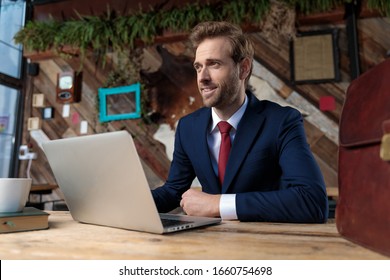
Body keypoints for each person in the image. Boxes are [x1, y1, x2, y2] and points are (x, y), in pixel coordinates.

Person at [152, 21, 328, 223]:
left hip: (266, 244)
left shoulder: (282, 121)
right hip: (210, 245)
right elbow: (173, 191)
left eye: (214, 64)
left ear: (243, 69)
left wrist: (217, 204)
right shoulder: (188, 127)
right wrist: (126, 203)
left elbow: (312, 201)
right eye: (198, 67)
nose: (202, 77)